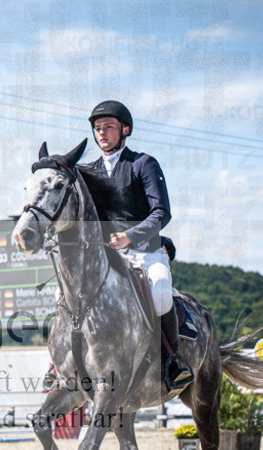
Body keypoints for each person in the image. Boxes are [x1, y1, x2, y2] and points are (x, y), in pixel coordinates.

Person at [86, 100, 192, 390]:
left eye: (108, 127)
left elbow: (162, 212)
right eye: (97, 129)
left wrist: (129, 236)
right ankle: (66, 362)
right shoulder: (88, 173)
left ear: (125, 129)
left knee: (159, 290)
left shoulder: (143, 163)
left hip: (145, 253)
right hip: (106, 258)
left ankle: (174, 361)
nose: (102, 133)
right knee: (70, 293)